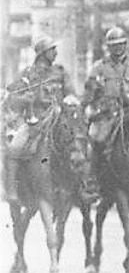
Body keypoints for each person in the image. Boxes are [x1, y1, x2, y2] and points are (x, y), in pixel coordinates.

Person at [4, 36, 80, 202]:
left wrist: (71, 99)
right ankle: (11, 189)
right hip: (35, 121)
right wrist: (25, 99)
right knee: (14, 148)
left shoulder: (60, 72)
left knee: (80, 145)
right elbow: (12, 96)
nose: (56, 53)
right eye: (52, 50)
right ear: (42, 53)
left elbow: (71, 92)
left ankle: (82, 187)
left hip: (58, 118)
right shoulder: (27, 73)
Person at [83, 27, 129, 142]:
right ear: (108, 47)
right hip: (108, 113)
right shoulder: (99, 67)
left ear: (126, 44)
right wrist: (96, 93)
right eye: (114, 45)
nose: (118, 48)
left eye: (121, 44)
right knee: (97, 140)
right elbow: (89, 92)